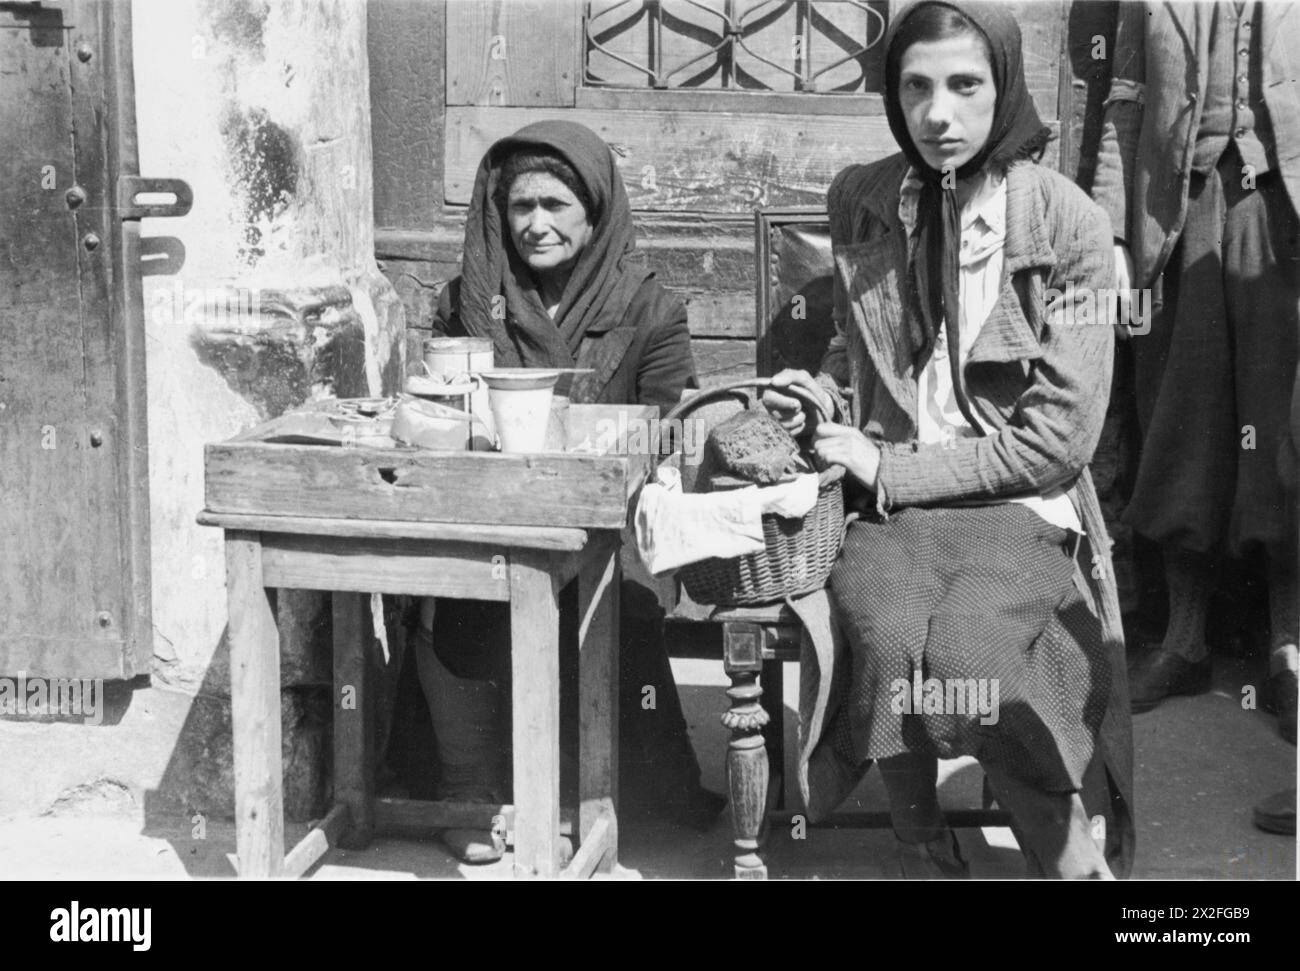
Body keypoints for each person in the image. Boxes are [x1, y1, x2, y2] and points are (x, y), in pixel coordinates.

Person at [762, 0, 1134, 878]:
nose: (940, 115)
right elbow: (851, 344)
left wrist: (888, 464)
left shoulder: (1069, 224)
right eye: (917, 87)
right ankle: (920, 830)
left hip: (1016, 502)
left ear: (1002, 88)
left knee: (969, 650)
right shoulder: (861, 198)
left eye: (966, 86)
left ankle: (1071, 857)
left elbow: (1058, 444)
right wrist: (816, 393)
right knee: (887, 635)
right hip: (891, 513)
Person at [416, 120, 723, 863]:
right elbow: (439, 404)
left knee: (604, 607)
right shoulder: (474, 299)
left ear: (595, 211)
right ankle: (473, 786)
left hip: (604, 528)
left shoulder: (650, 308)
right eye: (520, 206)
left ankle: (598, 789)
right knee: (459, 593)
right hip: (496, 517)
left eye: (557, 205)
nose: (536, 224)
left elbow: (670, 429)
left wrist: (597, 451)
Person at [1091, 2, 1299, 734]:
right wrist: (1111, 233)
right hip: (1180, 210)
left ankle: (1288, 645)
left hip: (1286, 211)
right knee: (1185, 413)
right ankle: (1184, 637)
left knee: (1283, 421)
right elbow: (1124, 103)